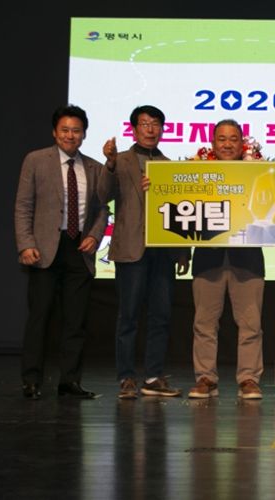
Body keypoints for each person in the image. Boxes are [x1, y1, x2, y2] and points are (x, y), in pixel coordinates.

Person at [15, 104, 109, 399]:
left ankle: (70, 381)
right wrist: (26, 243)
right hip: (44, 249)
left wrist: (94, 236)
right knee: (40, 317)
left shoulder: (94, 167)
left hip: (79, 249)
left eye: (76, 131)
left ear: (84, 134)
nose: (71, 135)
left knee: (76, 321)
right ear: (55, 132)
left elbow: (102, 209)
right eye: (65, 130)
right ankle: (32, 380)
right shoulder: (36, 160)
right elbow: (23, 205)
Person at [99, 105, 189, 399]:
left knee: (161, 316)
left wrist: (183, 251)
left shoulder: (169, 165)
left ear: (162, 129)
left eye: (156, 124)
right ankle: (126, 377)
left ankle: (153, 377)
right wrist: (108, 163)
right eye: (145, 123)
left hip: (163, 250)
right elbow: (103, 195)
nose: (151, 129)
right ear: (134, 129)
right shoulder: (120, 161)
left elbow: (181, 213)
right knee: (128, 316)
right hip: (131, 249)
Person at [186, 119, 266, 400]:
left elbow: (272, 208)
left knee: (250, 324)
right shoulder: (196, 174)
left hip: (248, 258)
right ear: (212, 143)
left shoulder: (259, 173)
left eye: (234, 139)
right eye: (222, 139)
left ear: (243, 143)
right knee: (204, 323)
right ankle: (205, 378)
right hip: (208, 257)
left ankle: (249, 379)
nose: (228, 144)